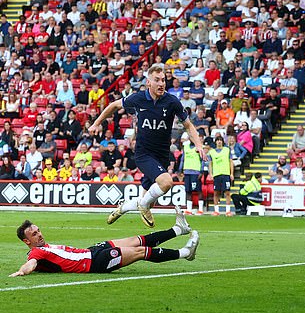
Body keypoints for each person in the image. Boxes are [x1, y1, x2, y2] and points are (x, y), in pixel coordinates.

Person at [90, 65, 206, 228]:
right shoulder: (138, 98)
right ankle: (142, 206)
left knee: (149, 200)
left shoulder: (172, 102)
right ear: (148, 82)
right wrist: (96, 123)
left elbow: (188, 125)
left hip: (162, 155)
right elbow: (114, 105)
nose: (161, 84)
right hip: (144, 153)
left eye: (163, 80)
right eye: (157, 80)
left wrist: (199, 145)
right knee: (166, 182)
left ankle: (124, 207)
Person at [9, 208, 199, 277]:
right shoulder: (36, 253)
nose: (39, 234)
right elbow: (31, 264)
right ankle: (184, 253)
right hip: (93, 263)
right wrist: (22, 271)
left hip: (91, 251)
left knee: (135, 240)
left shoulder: (44, 247)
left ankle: (178, 229)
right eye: (34, 234)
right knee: (140, 251)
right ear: (27, 241)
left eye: (38, 230)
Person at [209, 136, 234, 216]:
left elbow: (231, 162)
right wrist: (211, 173)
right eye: (217, 140)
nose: (219, 142)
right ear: (215, 142)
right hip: (216, 174)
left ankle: (228, 211)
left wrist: (231, 173)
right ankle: (216, 210)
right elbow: (210, 164)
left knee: (227, 192)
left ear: (222, 142)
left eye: (220, 140)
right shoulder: (212, 152)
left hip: (225, 173)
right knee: (216, 192)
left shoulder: (227, 150)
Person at [179, 133, 204, 215]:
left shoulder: (199, 148)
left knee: (198, 190)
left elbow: (202, 160)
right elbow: (183, 159)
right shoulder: (185, 147)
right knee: (188, 191)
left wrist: (201, 171)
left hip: (196, 172)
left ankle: (200, 209)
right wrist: (180, 169)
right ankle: (189, 209)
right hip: (187, 171)